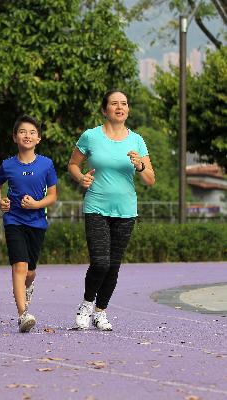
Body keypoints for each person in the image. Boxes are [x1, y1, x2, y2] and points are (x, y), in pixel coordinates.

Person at [67, 89, 155, 331]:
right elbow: (73, 164)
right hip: (96, 206)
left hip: (126, 210)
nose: (120, 107)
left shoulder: (137, 140)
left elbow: (150, 179)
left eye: (124, 104)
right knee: (101, 262)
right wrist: (81, 177)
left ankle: (100, 311)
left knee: (114, 265)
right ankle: (86, 304)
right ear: (105, 110)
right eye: (114, 104)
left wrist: (139, 166)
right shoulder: (91, 136)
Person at [0, 115, 58, 333]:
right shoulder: (7, 165)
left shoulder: (46, 164)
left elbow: (53, 196)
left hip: (37, 223)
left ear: (38, 138)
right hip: (14, 221)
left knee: (30, 272)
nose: (27, 136)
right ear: (15, 137)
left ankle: (28, 287)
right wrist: (1, 201)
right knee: (19, 267)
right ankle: (23, 314)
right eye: (22, 132)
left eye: (32, 132)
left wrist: (37, 203)